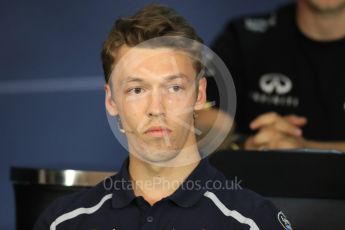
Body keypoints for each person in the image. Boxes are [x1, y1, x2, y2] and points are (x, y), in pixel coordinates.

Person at [34, 4, 292, 230]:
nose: (156, 108)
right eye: (137, 89)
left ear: (199, 94)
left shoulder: (253, 221)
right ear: (111, 101)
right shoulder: (63, 222)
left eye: (174, 87)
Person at [210, 0, 345, 152]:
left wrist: (304, 148)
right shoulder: (243, 38)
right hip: (256, 175)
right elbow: (200, 124)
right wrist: (246, 144)